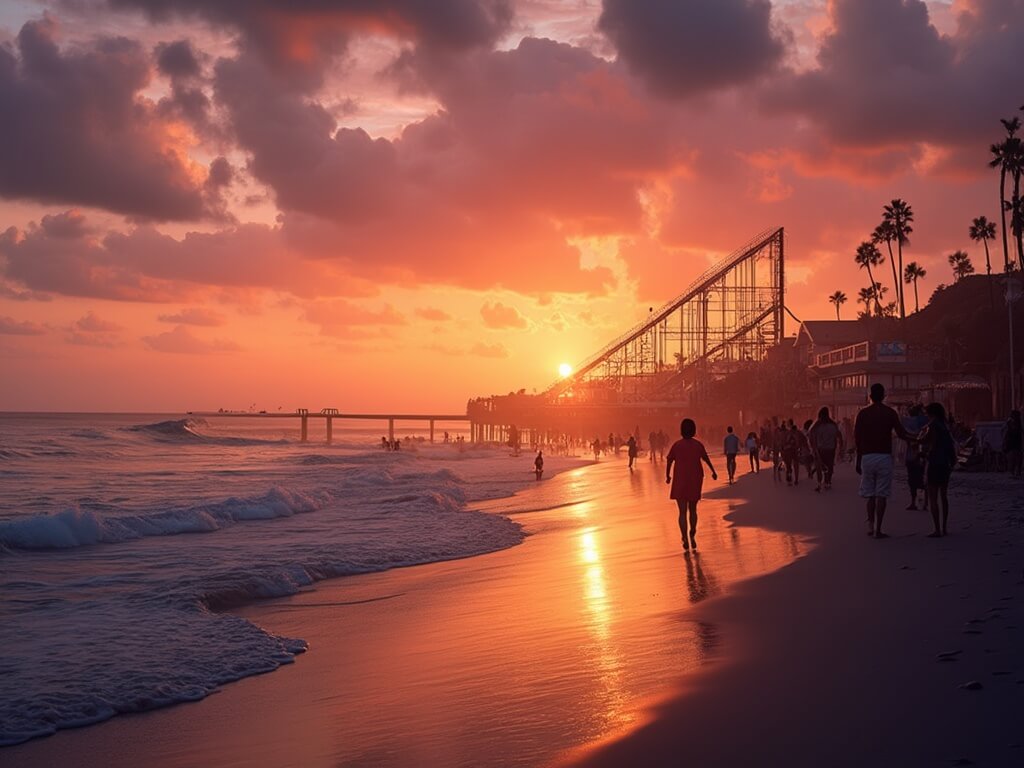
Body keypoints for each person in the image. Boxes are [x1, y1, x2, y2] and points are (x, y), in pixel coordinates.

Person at [854, 383, 915, 538]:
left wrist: (858, 459)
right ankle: (878, 529)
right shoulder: (890, 413)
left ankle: (870, 525)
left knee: (870, 494)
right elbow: (901, 433)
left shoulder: (862, 414)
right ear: (884, 396)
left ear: (870, 396)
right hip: (884, 456)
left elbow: (857, 438)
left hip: (867, 456)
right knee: (881, 494)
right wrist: (916, 439)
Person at [666, 418, 718, 551]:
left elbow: (669, 460)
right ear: (694, 430)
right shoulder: (698, 445)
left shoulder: (677, 445)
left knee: (682, 512)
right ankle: (692, 533)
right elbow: (706, 458)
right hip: (695, 480)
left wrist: (668, 476)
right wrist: (713, 471)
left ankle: (684, 537)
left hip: (680, 481)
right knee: (693, 510)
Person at [920, 403, 957, 537]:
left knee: (933, 497)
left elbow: (925, 441)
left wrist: (914, 440)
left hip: (934, 462)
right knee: (944, 496)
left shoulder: (932, 426)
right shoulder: (944, 427)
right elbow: (950, 447)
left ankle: (937, 529)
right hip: (945, 463)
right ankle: (944, 527)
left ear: (931, 413)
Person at [808, 407, 842, 491]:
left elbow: (810, 436)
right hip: (831, 448)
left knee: (819, 466)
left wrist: (813, 448)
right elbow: (839, 436)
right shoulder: (833, 425)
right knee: (829, 465)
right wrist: (840, 447)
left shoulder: (816, 426)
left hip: (820, 449)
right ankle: (828, 482)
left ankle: (819, 483)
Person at [902, 404, 929, 510]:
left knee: (912, 480)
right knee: (921, 479)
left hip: (911, 455)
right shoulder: (925, 421)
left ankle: (914, 501)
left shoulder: (907, 422)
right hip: (921, 454)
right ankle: (924, 502)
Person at [1003, 410, 1022, 478]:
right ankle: (1014, 471)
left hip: (1015, 441)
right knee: (1014, 456)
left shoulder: (1017, 423)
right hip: (1013, 442)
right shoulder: (1011, 423)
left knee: (1016, 456)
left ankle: (1015, 471)